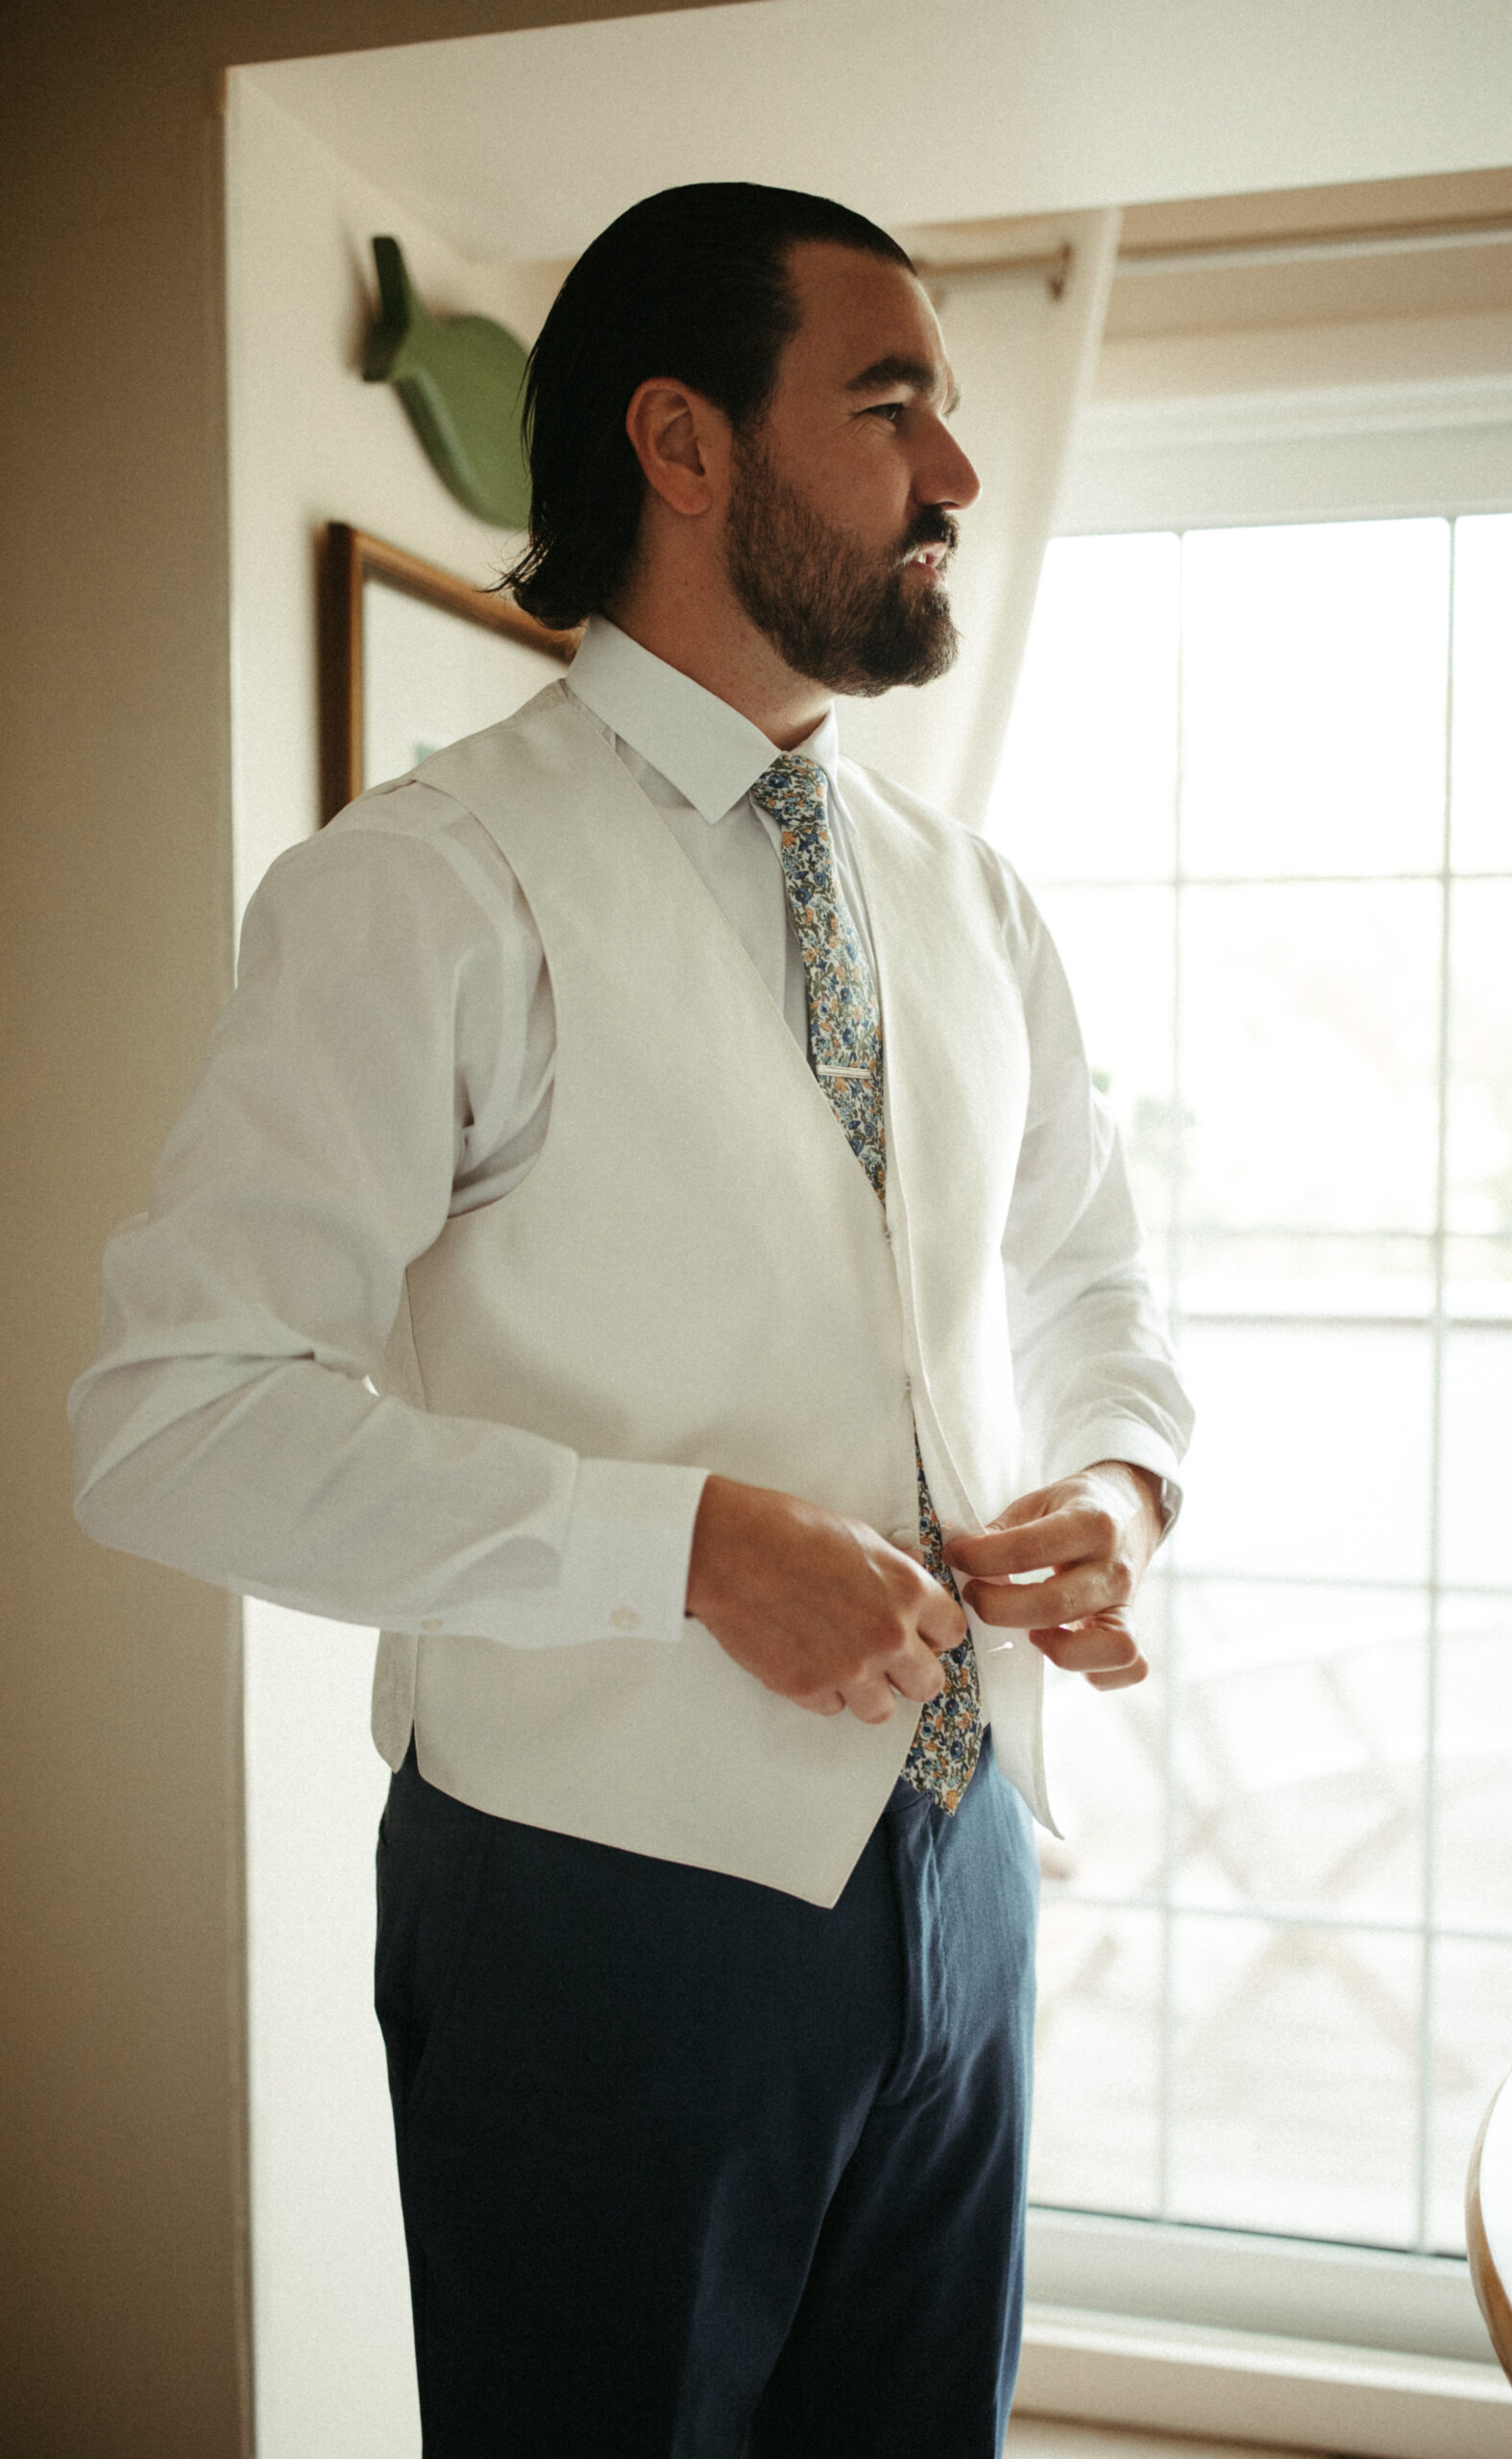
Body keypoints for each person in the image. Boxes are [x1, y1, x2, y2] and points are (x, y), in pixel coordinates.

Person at [70, 183, 1190, 2457]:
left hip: (962, 1871)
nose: (953, 477)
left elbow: (1087, 1268)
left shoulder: (969, 894)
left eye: (950, 416)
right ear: (680, 443)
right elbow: (171, 1417)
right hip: (591, 1933)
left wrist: (1119, 1473)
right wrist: (678, 1548)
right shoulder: (426, 883)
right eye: (891, 408)